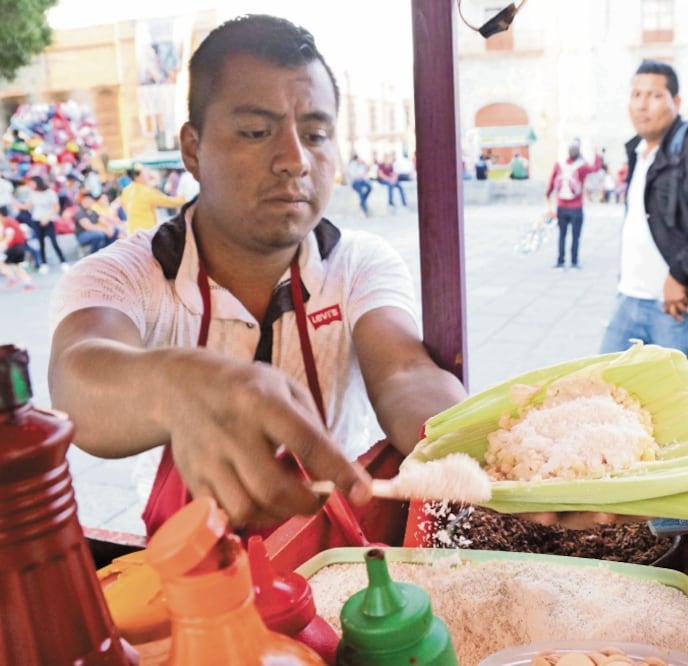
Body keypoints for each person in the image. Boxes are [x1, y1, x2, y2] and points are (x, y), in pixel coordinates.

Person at [47, 14, 466, 540]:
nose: (294, 160)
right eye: (255, 131)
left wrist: (485, 454)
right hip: (194, 576)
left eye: (315, 133)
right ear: (193, 149)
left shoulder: (358, 264)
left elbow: (406, 373)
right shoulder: (128, 275)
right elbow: (77, 376)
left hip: (336, 564)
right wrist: (182, 385)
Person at [598, 60, 688, 363]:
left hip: (673, 306)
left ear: (675, 102)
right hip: (629, 297)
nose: (642, 105)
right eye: (636, 95)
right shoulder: (639, 150)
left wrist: (680, 275)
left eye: (653, 96)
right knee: (604, 388)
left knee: (676, 402)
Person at [544, 138, 603, 270]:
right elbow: (595, 168)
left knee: (562, 235)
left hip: (561, 206)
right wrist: (597, 154)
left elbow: (551, 183)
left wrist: (548, 196)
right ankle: (574, 261)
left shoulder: (559, 165)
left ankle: (560, 261)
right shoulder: (582, 166)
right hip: (576, 208)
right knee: (576, 236)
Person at [22, 175, 71, 274]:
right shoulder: (32, 194)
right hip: (37, 220)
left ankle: (63, 262)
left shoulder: (50, 193)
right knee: (41, 243)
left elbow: (55, 208)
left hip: (49, 220)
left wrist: (47, 218)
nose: (30, 185)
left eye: (32, 183)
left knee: (54, 242)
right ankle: (44, 264)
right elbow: (26, 206)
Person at [119, 165, 186, 235]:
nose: (149, 175)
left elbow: (125, 208)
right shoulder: (147, 192)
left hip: (132, 231)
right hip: (146, 232)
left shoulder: (126, 191)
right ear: (138, 177)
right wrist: (186, 198)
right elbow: (170, 202)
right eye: (146, 173)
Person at [0, 206, 34, 290]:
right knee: (17, 266)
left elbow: (10, 235)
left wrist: (3, 246)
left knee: (3, 263)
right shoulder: (10, 220)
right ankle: (27, 284)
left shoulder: (7, 222)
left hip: (15, 247)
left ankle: (12, 278)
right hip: (19, 246)